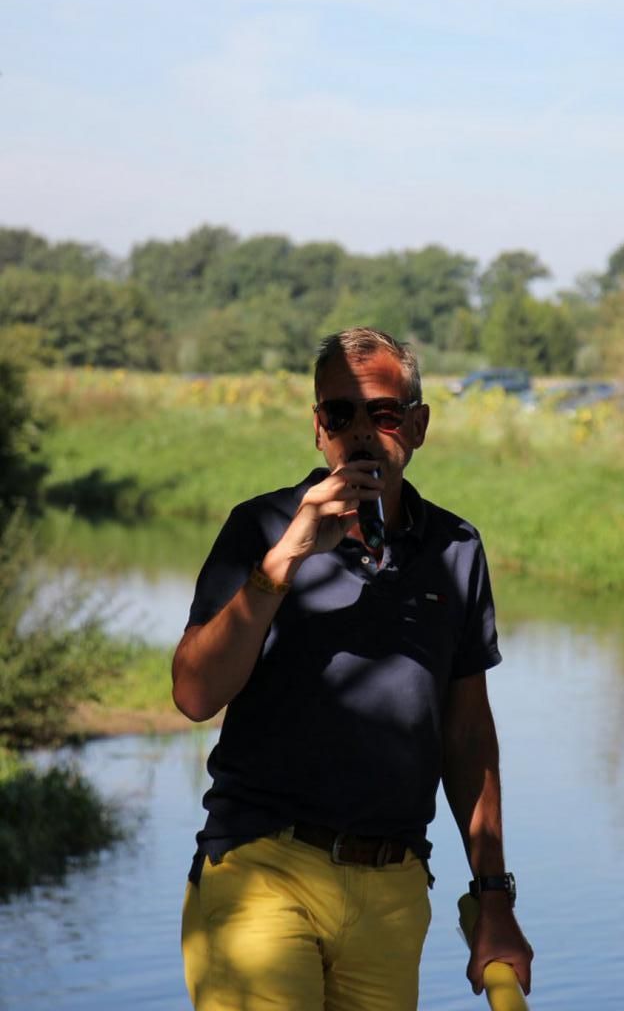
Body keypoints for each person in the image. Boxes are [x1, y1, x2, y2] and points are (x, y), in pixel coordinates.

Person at [173, 327, 532, 1011]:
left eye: (385, 413)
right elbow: (193, 694)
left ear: (418, 426)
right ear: (318, 429)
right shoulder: (263, 527)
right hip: (261, 868)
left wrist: (493, 898)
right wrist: (282, 565)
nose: (362, 432)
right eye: (341, 414)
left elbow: (467, 737)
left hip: (392, 888)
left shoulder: (456, 549)